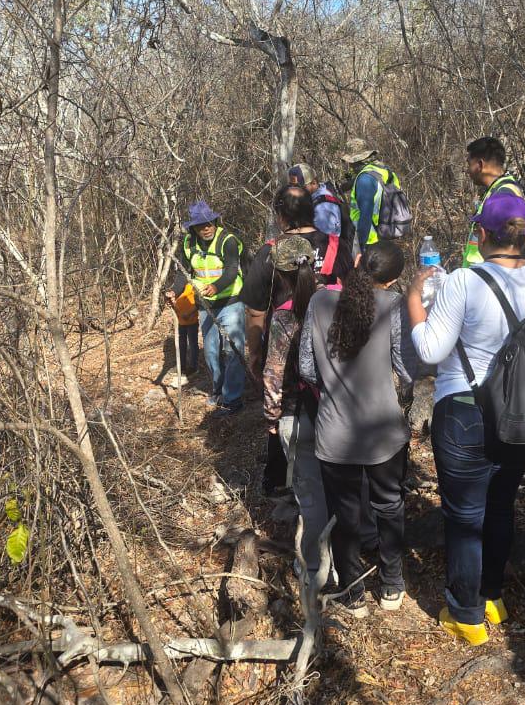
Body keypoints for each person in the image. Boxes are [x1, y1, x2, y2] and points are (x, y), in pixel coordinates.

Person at [408, 194, 525, 645]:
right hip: (524, 418)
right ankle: (493, 595)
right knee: (500, 502)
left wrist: (414, 298)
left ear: (482, 235)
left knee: (465, 514)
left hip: (465, 413)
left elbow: (430, 351)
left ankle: (467, 615)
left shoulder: (463, 283)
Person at [300, 240, 412, 616]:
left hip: (335, 434)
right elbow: (406, 367)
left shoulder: (318, 303)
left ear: (359, 261)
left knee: (345, 515)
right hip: (384, 431)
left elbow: (306, 368)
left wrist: (333, 383)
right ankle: (392, 585)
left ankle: (352, 593)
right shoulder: (393, 306)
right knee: (389, 505)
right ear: (393, 280)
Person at [241, 184, 346, 492]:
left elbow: (256, 312)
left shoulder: (270, 252)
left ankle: (280, 481)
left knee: (287, 415)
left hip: (286, 351)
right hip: (335, 352)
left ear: (280, 215)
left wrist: (255, 353)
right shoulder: (337, 245)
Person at [166, 201, 245, 413]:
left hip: (231, 303)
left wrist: (215, 287)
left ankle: (232, 399)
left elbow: (231, 270)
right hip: (205, 306)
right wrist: (175, 290)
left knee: (233, 350)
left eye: (209, 223)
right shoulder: (188, 244)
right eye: (201, 225)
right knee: (211, 352)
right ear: (193, 228)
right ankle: (218, 390)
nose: (206, 228)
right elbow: (184, 272)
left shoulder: (227, 241)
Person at [463, 137, 525, 268]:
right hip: (483, 277)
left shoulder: (505, 195)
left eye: (469, 164)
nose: (467, 170)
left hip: (490, 280)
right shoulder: (497, 190)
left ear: (480, 165)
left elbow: (509, 248)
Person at [340, 138, 402, 254]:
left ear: (355, 161)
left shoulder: (364, 180)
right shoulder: (383, 170)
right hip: (387, 232)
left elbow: (365, 215)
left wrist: (361, 248)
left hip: (370, 240)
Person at [288, 163, 346, 243]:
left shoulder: (323, 208)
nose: (294, 191)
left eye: (299, 187)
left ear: (314, 183)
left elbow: (323, 244)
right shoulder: (312, 197)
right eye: (292, 186)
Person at [170, 282, 199, 380]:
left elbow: (198, 304)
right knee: (181, 343)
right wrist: (172, 304)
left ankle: (193, 367)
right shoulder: (176, 288)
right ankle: (181, 366)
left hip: (192, 320)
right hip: (181, 322)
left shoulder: (192, 285)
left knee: (192, 343)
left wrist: (189, 314)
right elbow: (175, 304)